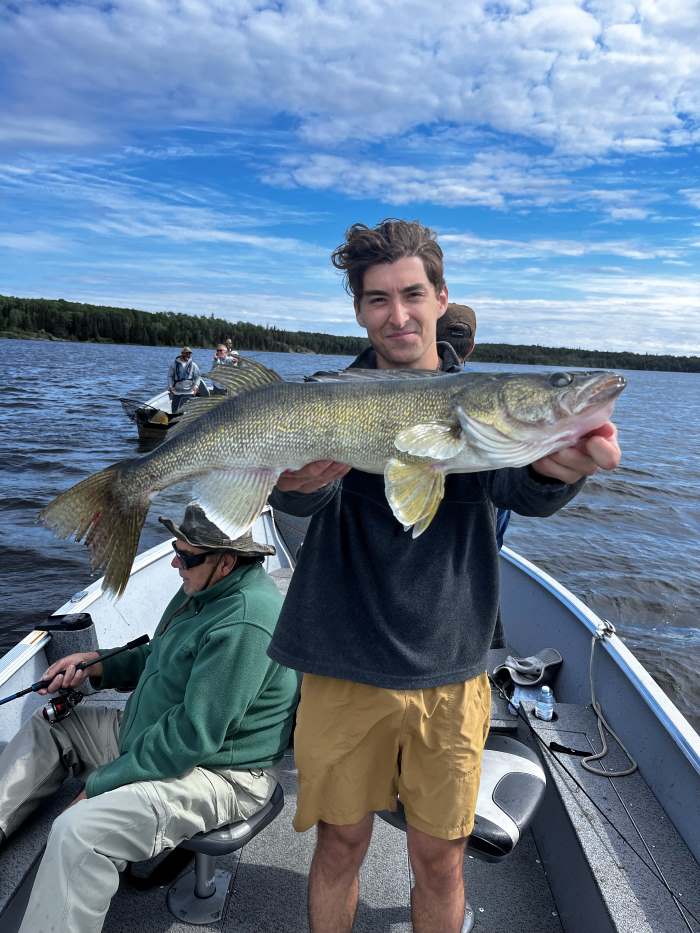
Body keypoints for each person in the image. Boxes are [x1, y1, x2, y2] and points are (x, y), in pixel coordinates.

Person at [267, 218, 622, 933]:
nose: (396, 314)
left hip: (451, 668)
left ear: (439, 296)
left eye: (411, 293)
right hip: (341, 660)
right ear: (360, 310)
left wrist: (560, 470)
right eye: (376, 299)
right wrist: (295, 483)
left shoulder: (478, 405)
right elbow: (303, 495)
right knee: (340, 843)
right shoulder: (331, 396)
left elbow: (522, 489)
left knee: (441, 857)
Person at [0, 505, 299, 933]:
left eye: (187, 556)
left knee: (79, 832)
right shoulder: (202, 589)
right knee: (53, 725)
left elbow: (191, 737)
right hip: (152, 736)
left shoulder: (246, 622)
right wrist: (97, 665)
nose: (175, 562)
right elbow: (159, 654)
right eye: (176, 550)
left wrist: (100, 786)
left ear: (227, 561)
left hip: (220, 773)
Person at [168, 346, 202, 413]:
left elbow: (198, 377)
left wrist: (196, 386)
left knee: (188, 412)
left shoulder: (194, 365)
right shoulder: (174, 364)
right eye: (186, 353)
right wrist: (170, 386)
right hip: (176, 392)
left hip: (189, 392)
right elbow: (170, 376)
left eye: (189, 353)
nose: (188, 355)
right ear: (182, 353)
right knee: (175, 411)